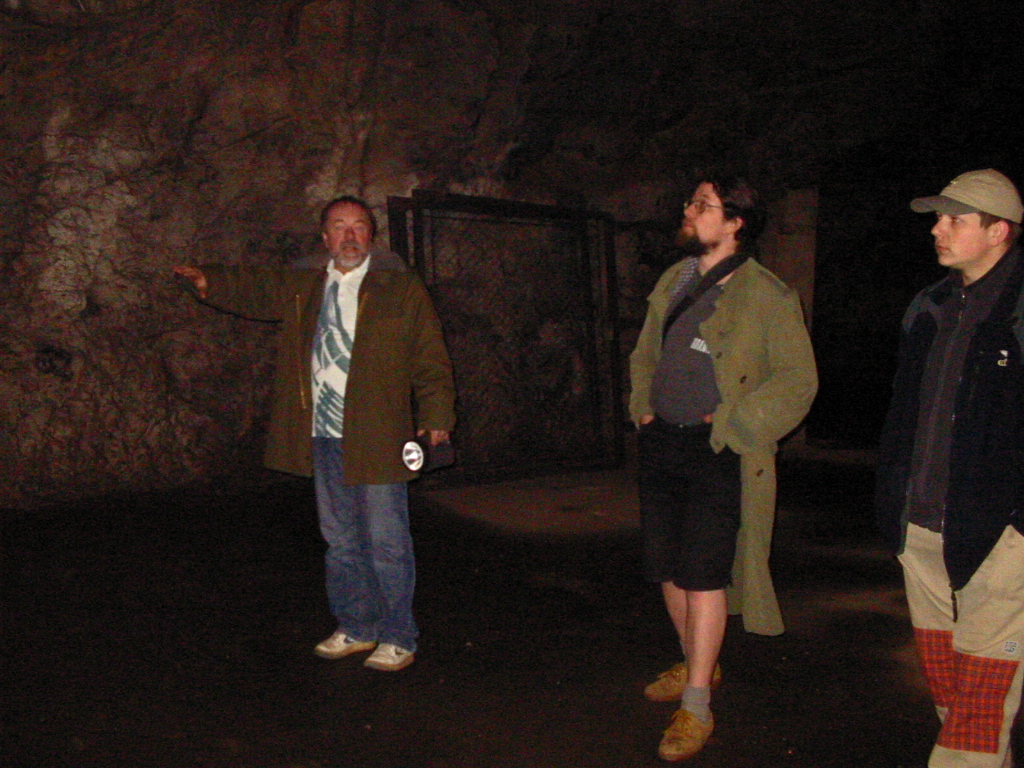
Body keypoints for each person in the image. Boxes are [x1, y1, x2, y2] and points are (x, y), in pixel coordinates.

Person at [174, 195, 455, 672]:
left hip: (380, 434)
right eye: (339, 226)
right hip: (323, 434)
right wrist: (210, 281)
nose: (350, 235)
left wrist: (437, 414)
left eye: (359, 226)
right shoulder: (305, 284)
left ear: (371, 235)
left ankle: (398, 635)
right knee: (341, 541)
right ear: (325, 238)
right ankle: (357, 626)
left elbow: (430, 355)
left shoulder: (399, 287)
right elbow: (257, 288)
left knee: (387, 542)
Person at [629, 175, 817, 761]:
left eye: (702, 205)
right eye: (691, 201)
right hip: (662, 442)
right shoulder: (675, 278)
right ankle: (698, 664)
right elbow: (646, 352)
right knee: (666, 565)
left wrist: (739, 421)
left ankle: (697, 706)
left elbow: (799, 380)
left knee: (703, 575)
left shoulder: (767, 295)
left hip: (718, 450)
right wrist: (642, 408)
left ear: (735, 222)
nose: (688, 211)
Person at [876, 168, 1024, 767]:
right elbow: (903, 412)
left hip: (1002, 538)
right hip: (922, 528)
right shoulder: (930, 306)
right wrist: (893, 500)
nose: (938, 229)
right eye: (938, 218)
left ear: (999, 232)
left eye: (955, 220)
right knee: (949, 685)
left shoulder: (1019, 313)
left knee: (980, 701)